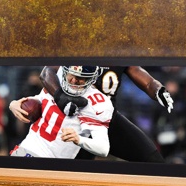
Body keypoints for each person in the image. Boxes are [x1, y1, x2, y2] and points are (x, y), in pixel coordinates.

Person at [40, 65, 172, 163]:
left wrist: (158, 90)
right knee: (72, 172)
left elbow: (144, 78)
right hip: (78, 116)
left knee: (153, 160)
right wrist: (62, 98)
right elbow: (47, 71)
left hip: (107, 117)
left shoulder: (119, 51)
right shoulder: (81, 44)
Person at [9, 65, 114, 159]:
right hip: (26, 149)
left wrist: (78, 139)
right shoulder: (56, 80)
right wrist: (15, 104)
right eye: (71, 74)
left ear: (91, 78)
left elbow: (103, 148)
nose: (73, 80)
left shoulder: (96, 102)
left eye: (80, 77)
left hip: (53, 164)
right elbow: (40, 100)